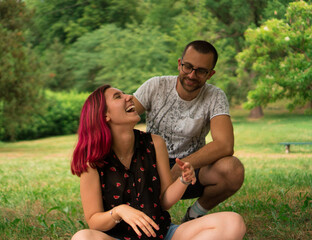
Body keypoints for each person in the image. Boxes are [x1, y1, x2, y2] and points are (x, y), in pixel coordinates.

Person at [71, 85, 246, 240]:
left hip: (162, 234)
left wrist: (183, 180)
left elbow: (164, 201)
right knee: (82, 237)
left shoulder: (155, 143)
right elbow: (94, 221)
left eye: (124, 93)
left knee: (233, 222)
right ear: (105, 115)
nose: (128, 97)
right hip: (117, 237)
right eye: (118, 96)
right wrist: (119, 211)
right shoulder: (92, 161)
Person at [133, 40, 245, 222]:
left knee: (233, 170)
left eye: (201, 71)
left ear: (211, 74)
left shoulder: (215, 96)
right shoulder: (155, 86)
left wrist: (181, 166)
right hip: (150, 166)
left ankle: (194, 215)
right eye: (188, 67)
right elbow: (121, 118)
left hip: (192, 171)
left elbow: (225, 145)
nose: (192, 75)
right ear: (179, 64)